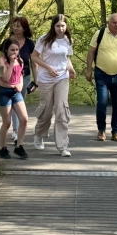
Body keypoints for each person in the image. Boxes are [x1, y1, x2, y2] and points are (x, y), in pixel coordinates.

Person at [85, 13, 117, 142]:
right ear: (109, 23)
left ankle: (116, 132)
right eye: (114, 22)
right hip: (101, 74)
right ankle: (101, 130)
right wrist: (89, 70)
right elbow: (91, 52)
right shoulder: (100, 34)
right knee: (102, 102)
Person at [31, 14, 76, 157]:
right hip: (46, 78)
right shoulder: (44, 39)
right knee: (46, 111)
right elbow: (34, 57)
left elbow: (66, 58)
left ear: (66, 26)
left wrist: (71, 68)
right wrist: (48, 67)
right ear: (53, 26)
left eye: (63, 26)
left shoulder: (68, 40)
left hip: (62, 77)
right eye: (58, 26)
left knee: (62, 110)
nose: (60, 29)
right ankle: (39, 134)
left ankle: (62, 146)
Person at [0, 38, 29, 159]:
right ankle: (3, 148)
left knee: (24, 119)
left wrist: (20, 84)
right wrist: (11, 63)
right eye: (12, 50)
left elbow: (20, 75)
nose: (14, 52)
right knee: (7, 122)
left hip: (16, 92)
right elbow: (5, 78)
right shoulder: (2, 61)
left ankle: (19, 146)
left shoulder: (20, 60)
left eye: (16, 50)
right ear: (6, 50)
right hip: (4, 92)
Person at [9, 17, 36, 142]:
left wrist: (36, 81)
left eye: (19, 26)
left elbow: (34, 63)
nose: (16, 28)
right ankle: (16, 130)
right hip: (10, 78)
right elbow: (1, 59)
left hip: (25, 78)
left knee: (20, 102)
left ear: (24, 28)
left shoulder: (29, 43)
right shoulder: (7, 42)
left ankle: (18, 129)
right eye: (14, 25)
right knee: (15, 103)